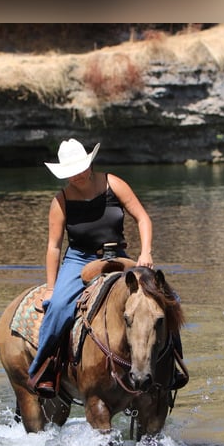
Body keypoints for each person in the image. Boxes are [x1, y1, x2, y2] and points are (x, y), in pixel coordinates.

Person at [26, 138, 161, 398]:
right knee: (58, 308)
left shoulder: (114, 184)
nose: (76, 175)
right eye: (70, 171)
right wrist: (52, 288)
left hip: (118, 255)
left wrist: (146, 252)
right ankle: (44, 370)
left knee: (166, 299)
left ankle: (171, 365)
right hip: (79, 259)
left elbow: (142, 217)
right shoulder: (61, 201)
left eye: (80, 168)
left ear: (89, 164)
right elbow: (54, 247)